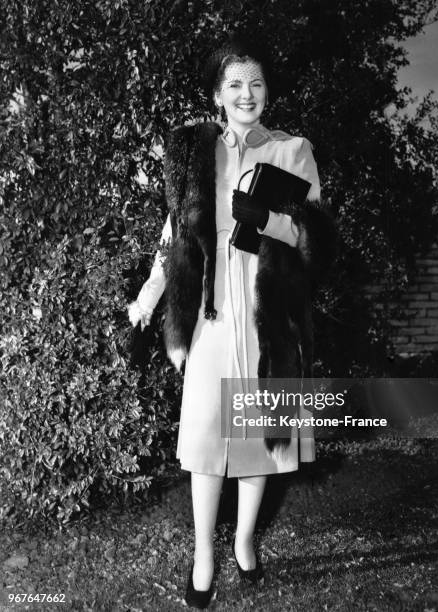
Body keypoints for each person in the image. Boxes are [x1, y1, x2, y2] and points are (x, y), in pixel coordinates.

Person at [128, 34, 336, 609]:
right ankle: (203, 555)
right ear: (217, 93)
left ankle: (244, 542)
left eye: (257, 82)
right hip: (212, 312)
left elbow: (317, 243)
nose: (248, 94)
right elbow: (173, 242)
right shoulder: (197, 154)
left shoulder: (294, 150)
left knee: (260, 439)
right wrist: (147, 303)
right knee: (204, 438)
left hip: (270, 315)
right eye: (235, 84)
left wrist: (268, 220)